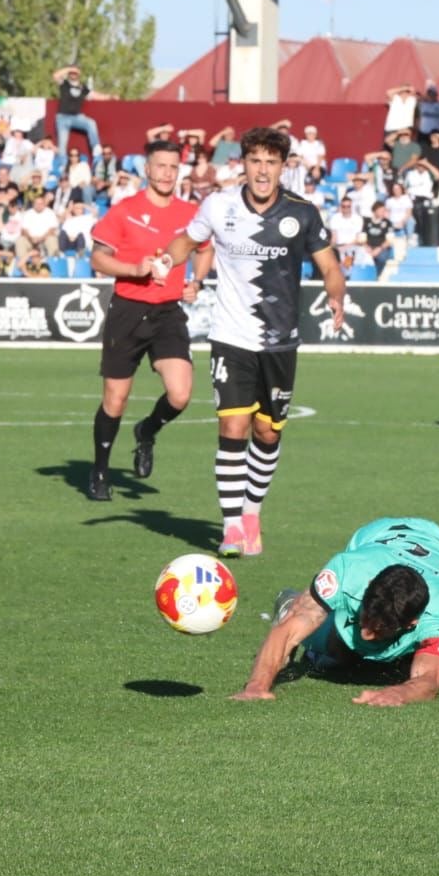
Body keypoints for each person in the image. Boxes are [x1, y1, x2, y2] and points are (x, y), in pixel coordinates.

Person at [153, 127, 346, 557]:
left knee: (267, 432)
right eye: (255, 161)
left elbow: (330, 266)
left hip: (280, 343)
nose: (262, 170)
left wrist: (336, 294)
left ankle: (252, 510)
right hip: (230, 337)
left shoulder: (303, 213)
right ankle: (231, 527)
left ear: (283, 167)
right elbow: (188, 240)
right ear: (243, 164)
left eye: (271, 162)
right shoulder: (219, 206)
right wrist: (168, 258)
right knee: (233, 426)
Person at [84, 140, 213, 501]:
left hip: (168, 312)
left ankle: (147, 431)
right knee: (115, 399)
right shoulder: (125, 210)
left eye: (173, 167)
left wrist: (196, 282)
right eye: (161, 166)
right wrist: (133, 269)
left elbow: (206, 249)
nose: (167, 173)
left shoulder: (191, 212)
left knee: (181, 393)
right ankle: (100, 471)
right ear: (147, 168)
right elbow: (98, 258)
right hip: (128, 310)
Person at [231, 518, 439, 706]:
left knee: (408, 668)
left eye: (379, 630)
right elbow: (293, 625)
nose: (366, 634)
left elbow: (430, 681)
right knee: (339, 648)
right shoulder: (349, 570)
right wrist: (257, 686)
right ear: (368, 586)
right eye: (364, 620)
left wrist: (398, 693)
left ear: (412, 622)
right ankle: (289, 601)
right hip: (380, 535)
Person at [52, 65, 102, 160]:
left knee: (91, 123)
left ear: (79, 74)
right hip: (63, 117)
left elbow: (94, 95)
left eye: (75, 73)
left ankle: (96, 146)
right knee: (62, 146)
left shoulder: (82, 87)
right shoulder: (65, 84)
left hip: (77, 117)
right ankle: (63, 168)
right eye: (72, 73)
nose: (73, 74)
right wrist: (70, 68)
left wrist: (111, 97)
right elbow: (55, 76)